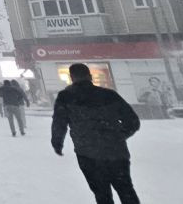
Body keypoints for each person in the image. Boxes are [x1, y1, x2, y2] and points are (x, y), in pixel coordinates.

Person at [52, 63, 142, 204]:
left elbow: (59, 122)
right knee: (126, 190)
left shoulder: (66, 97)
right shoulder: (109, 95)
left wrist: (57, 143)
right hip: (116, 152)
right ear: (90, 76)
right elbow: (132, 121)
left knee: (102, 194)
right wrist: (118, 136)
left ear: (71, 78)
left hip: (87, 154)